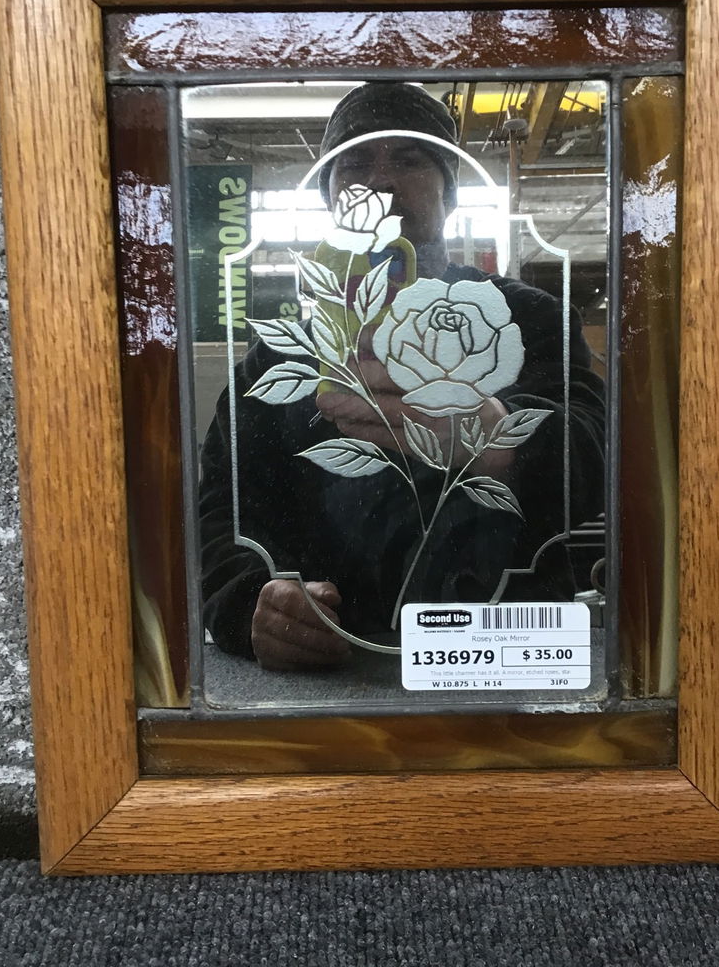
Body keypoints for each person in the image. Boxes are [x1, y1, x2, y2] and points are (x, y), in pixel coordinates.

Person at [200, 82, 605, 671]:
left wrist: (496, 440)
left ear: (449, 193)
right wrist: (251, 605)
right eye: (355, 164)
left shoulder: (527, 318)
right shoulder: (278, 361)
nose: (382, 181)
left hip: (500, 656)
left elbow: (599, 460)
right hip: (335, 668)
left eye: (411, 161)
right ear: (331, 197)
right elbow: (223, 510)